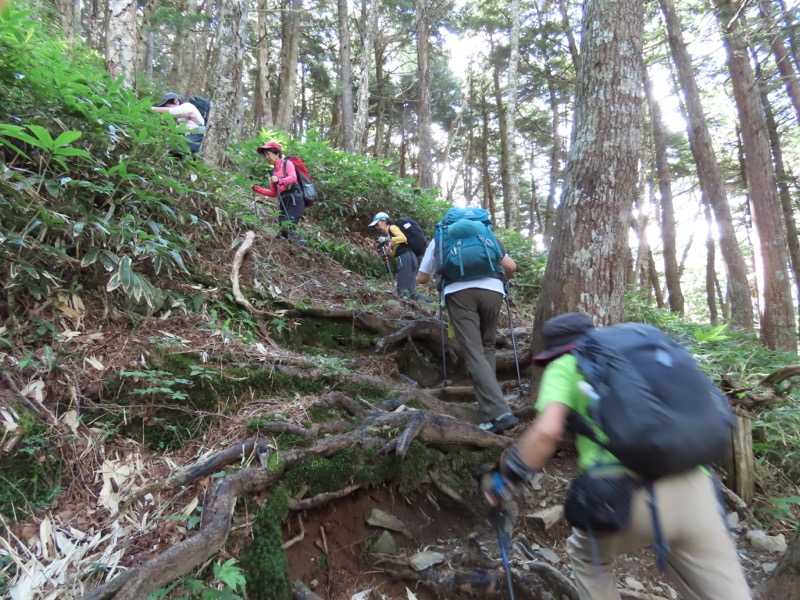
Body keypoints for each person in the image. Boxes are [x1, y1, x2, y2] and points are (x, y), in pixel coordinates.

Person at [488, 312, 751, 600]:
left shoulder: (564, 365)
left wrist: (507, 479)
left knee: (586, 557)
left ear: (553, 350)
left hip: (622, 499)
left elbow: (546, 432)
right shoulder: (639, 360)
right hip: (697, 491)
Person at [416, 226, 518, 434]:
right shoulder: (487, 235)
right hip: (494, 292)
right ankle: (490, 408)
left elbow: (422, 278)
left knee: (473, 350)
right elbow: (511, 266)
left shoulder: (441, 237)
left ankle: (500, 412)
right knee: (487, 346)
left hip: (459, 293)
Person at [253, 141, 305, 242]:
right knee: (283, 228)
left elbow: (293, 178)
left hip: (294, 198)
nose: (267, 157)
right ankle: (289, 248)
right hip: (283, 200)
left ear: (276, 153)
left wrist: (280, 180)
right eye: (265, 155)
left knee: (288, 222)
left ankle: (298, 247)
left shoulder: (287, 163)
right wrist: (256, 188)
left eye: (268, 154)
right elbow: (273, 192)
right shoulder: (273, 172)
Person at [369, 211, 422, 301]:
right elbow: (394, 253)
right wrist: (387, 251)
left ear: (383, 221)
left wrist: (386, 239)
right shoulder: (391, 236)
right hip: (411, 257)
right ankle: (424, 303)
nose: (377, 227)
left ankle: (405, 308)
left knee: (402, 289)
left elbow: (403, 238)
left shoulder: (392, 228)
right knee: (410, 290)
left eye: (377, 224)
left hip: (405, 257)